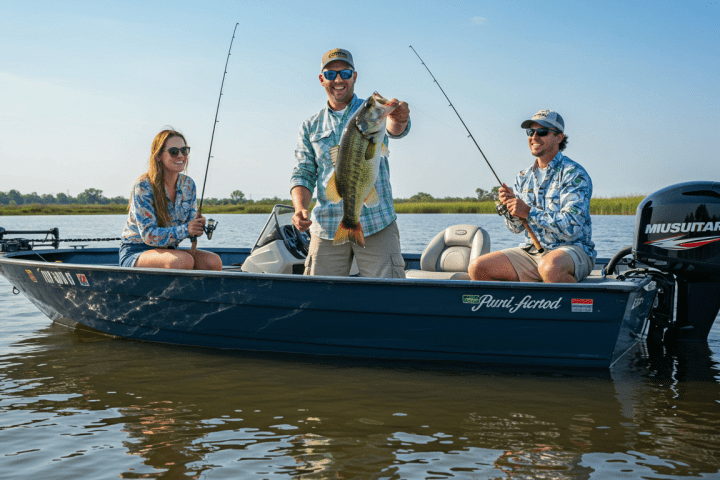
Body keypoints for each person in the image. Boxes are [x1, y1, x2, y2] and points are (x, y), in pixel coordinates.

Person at [290, 48, 411, 277]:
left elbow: (396, 130)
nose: (338, 79)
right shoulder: (310, 126)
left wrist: (400, 118)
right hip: (326, 226)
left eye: (345, 73)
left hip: (378, 222)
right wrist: (300, 209)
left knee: (389, 298)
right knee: (319, 299)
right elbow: (303, 172)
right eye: (331, 74)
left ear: (354, 76)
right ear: (321, 79)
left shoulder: (373, 114)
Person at [468, 110, 596, 283]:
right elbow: (516, 229)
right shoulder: (523, 177)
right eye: (530, 132)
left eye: (542, 132)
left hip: (573, 250)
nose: (534, 136)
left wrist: (528, 212)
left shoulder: (574, 174)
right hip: (532, 251)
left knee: (550, 267)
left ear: (559, 137)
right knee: (478, 268)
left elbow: (572, 227)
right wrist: (511, 209)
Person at [119, 128, 222, 271]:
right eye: (174, 151)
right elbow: (149, 236)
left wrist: (197, 226)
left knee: (213, 262)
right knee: (182, 261)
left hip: (170, 250)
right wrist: (187, 229)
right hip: (137, 251)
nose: (181, 155)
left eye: (184, 150)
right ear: (159, 155)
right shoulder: (143, 186)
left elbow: (189, 227)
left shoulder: (189, 185)